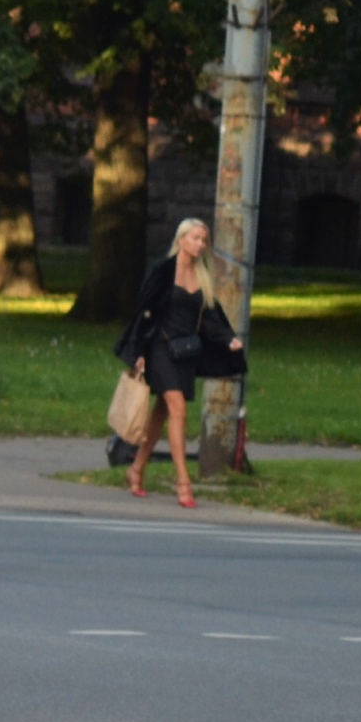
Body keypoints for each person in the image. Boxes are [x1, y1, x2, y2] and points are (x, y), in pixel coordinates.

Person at [115, 217, 246, 508]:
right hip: (160, 348)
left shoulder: (202, 276)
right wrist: (137, 351)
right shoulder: (163, 270)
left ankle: (135, 471)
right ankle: (183, 482)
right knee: (178, 409)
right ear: (182, 239)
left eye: (204, 240)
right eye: (196, 238)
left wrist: (228, 339)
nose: (200, 244)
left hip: (185, 352)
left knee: (161, 414)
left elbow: (210, 316)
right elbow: (144, 310)